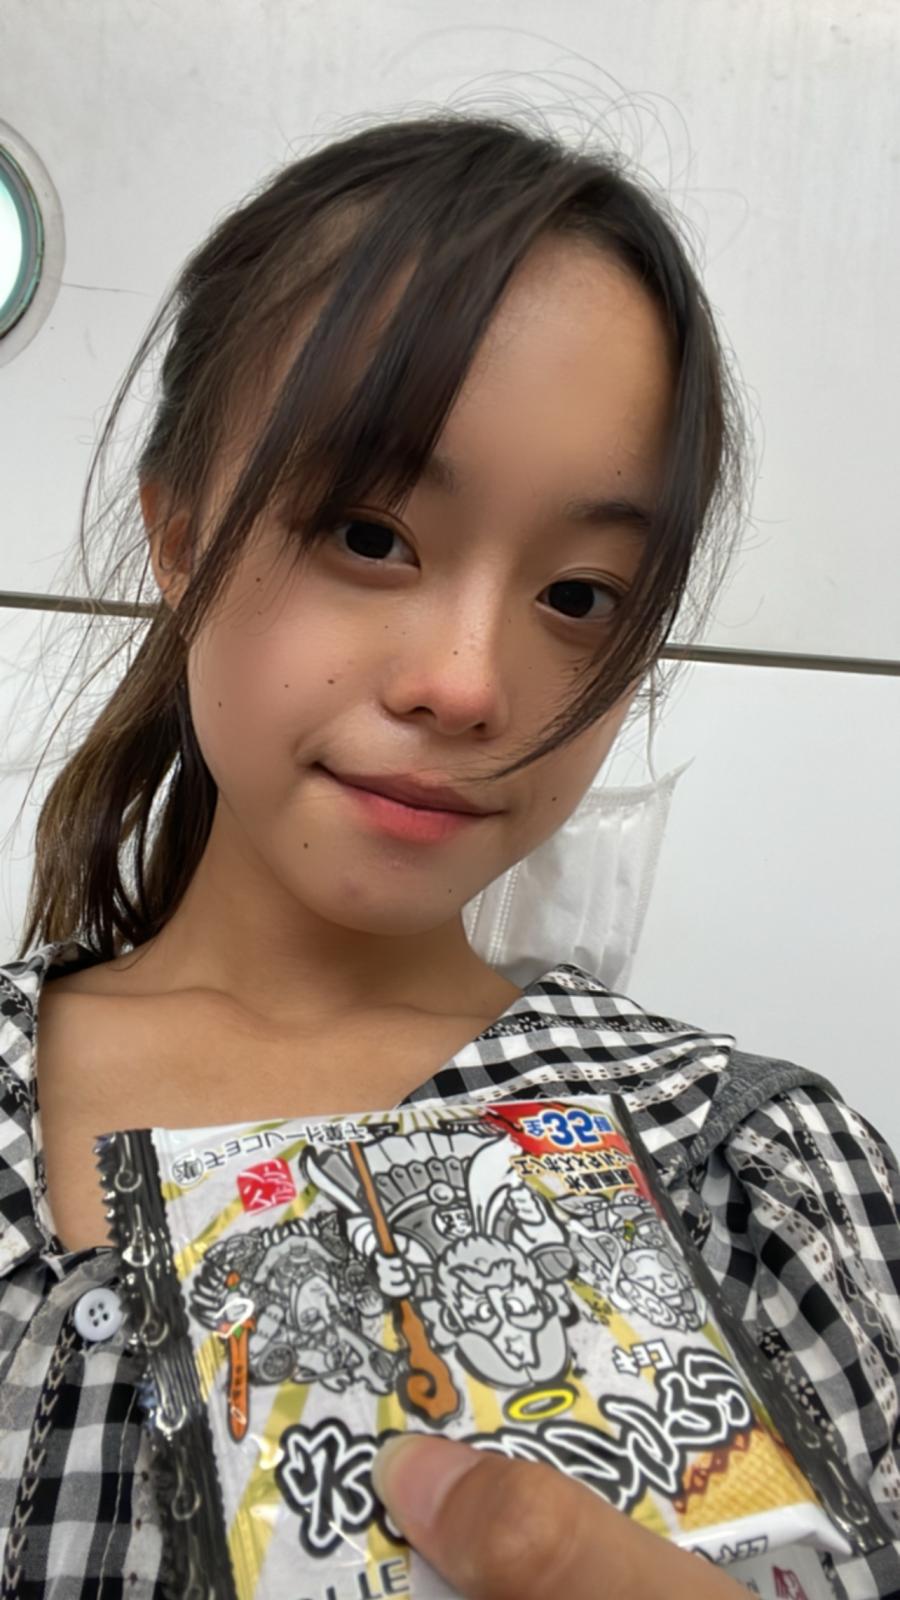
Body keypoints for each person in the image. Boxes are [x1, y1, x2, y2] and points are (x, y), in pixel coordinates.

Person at [0, 109, 896, 1599]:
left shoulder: (753, 1173)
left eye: (581, 596)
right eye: (369, 534)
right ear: (180, 536)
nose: (469, 683)